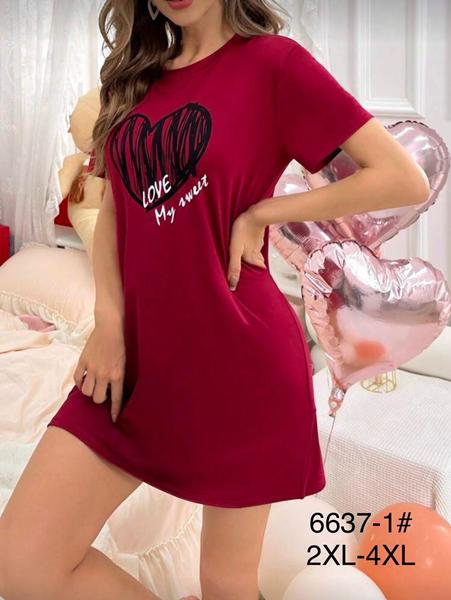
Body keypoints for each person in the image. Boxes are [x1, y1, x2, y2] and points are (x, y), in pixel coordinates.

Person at [0, 1, 430, 599]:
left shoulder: (275, 65)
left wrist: (264, 212)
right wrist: (109, 320)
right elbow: (115, 211)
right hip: (135, 362)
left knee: (225, 585)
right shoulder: (134, 79)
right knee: (20, 561)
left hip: (239, 362)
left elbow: (403, 177)